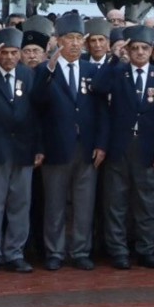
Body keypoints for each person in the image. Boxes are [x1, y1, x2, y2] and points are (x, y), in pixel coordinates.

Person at [91, 26, 154, 270]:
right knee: (116, 202)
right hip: (119, 147)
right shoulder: (118, 73)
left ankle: (146, 250)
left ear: (151, 51)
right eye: (134, 48)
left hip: (149, 149)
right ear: (128, 49)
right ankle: (118, 250)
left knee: (147, 202)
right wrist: (115, 56)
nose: (139, 52)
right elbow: (97, 86)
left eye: (144, 48)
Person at [32, 14, 107, 272]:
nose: (74, 44)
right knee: (54, 203)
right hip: (55, 147)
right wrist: (39, 147)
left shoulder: (92, 70)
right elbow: (37, 107)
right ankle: (54, 251)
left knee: (84, 203)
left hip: (86, 147)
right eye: (69, 39)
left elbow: (102, 112)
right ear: (58, 40)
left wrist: (101, 144)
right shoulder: (44, 71)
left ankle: (81, 251)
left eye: (78, 39)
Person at [0, 30, 41, 275]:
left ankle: (15, 253)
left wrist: (39, 148)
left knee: (20, 205)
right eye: (5, 53)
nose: (10, 57)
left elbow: (37, 114)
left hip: (24, 150)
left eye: (15, 53)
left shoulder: (28, 74)